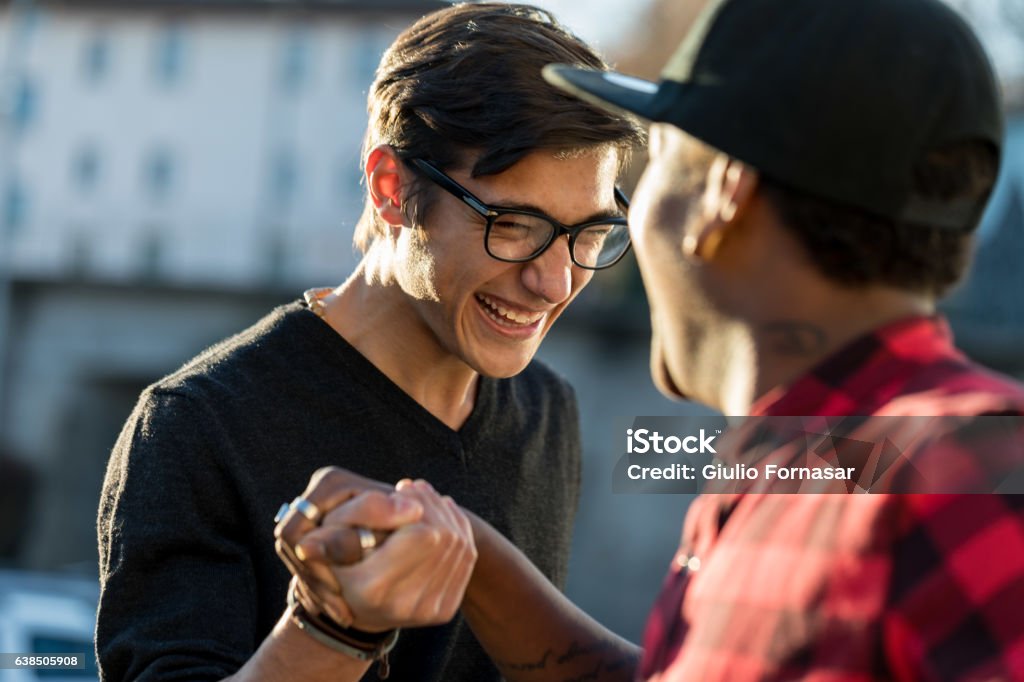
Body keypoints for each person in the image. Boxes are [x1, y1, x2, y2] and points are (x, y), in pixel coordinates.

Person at [281, 0, 1024, 679]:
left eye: (655, 162)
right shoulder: (831, 461)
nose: (555, 277)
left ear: (722, 194)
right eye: (514, 225)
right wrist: (467, 555)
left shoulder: (975, 476)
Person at [95, 3, 643, 681]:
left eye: (589, 233)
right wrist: (329, 629)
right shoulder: (196, 426)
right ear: (391, 189)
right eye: (515, 224)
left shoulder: (546, 409)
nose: (555, 281)